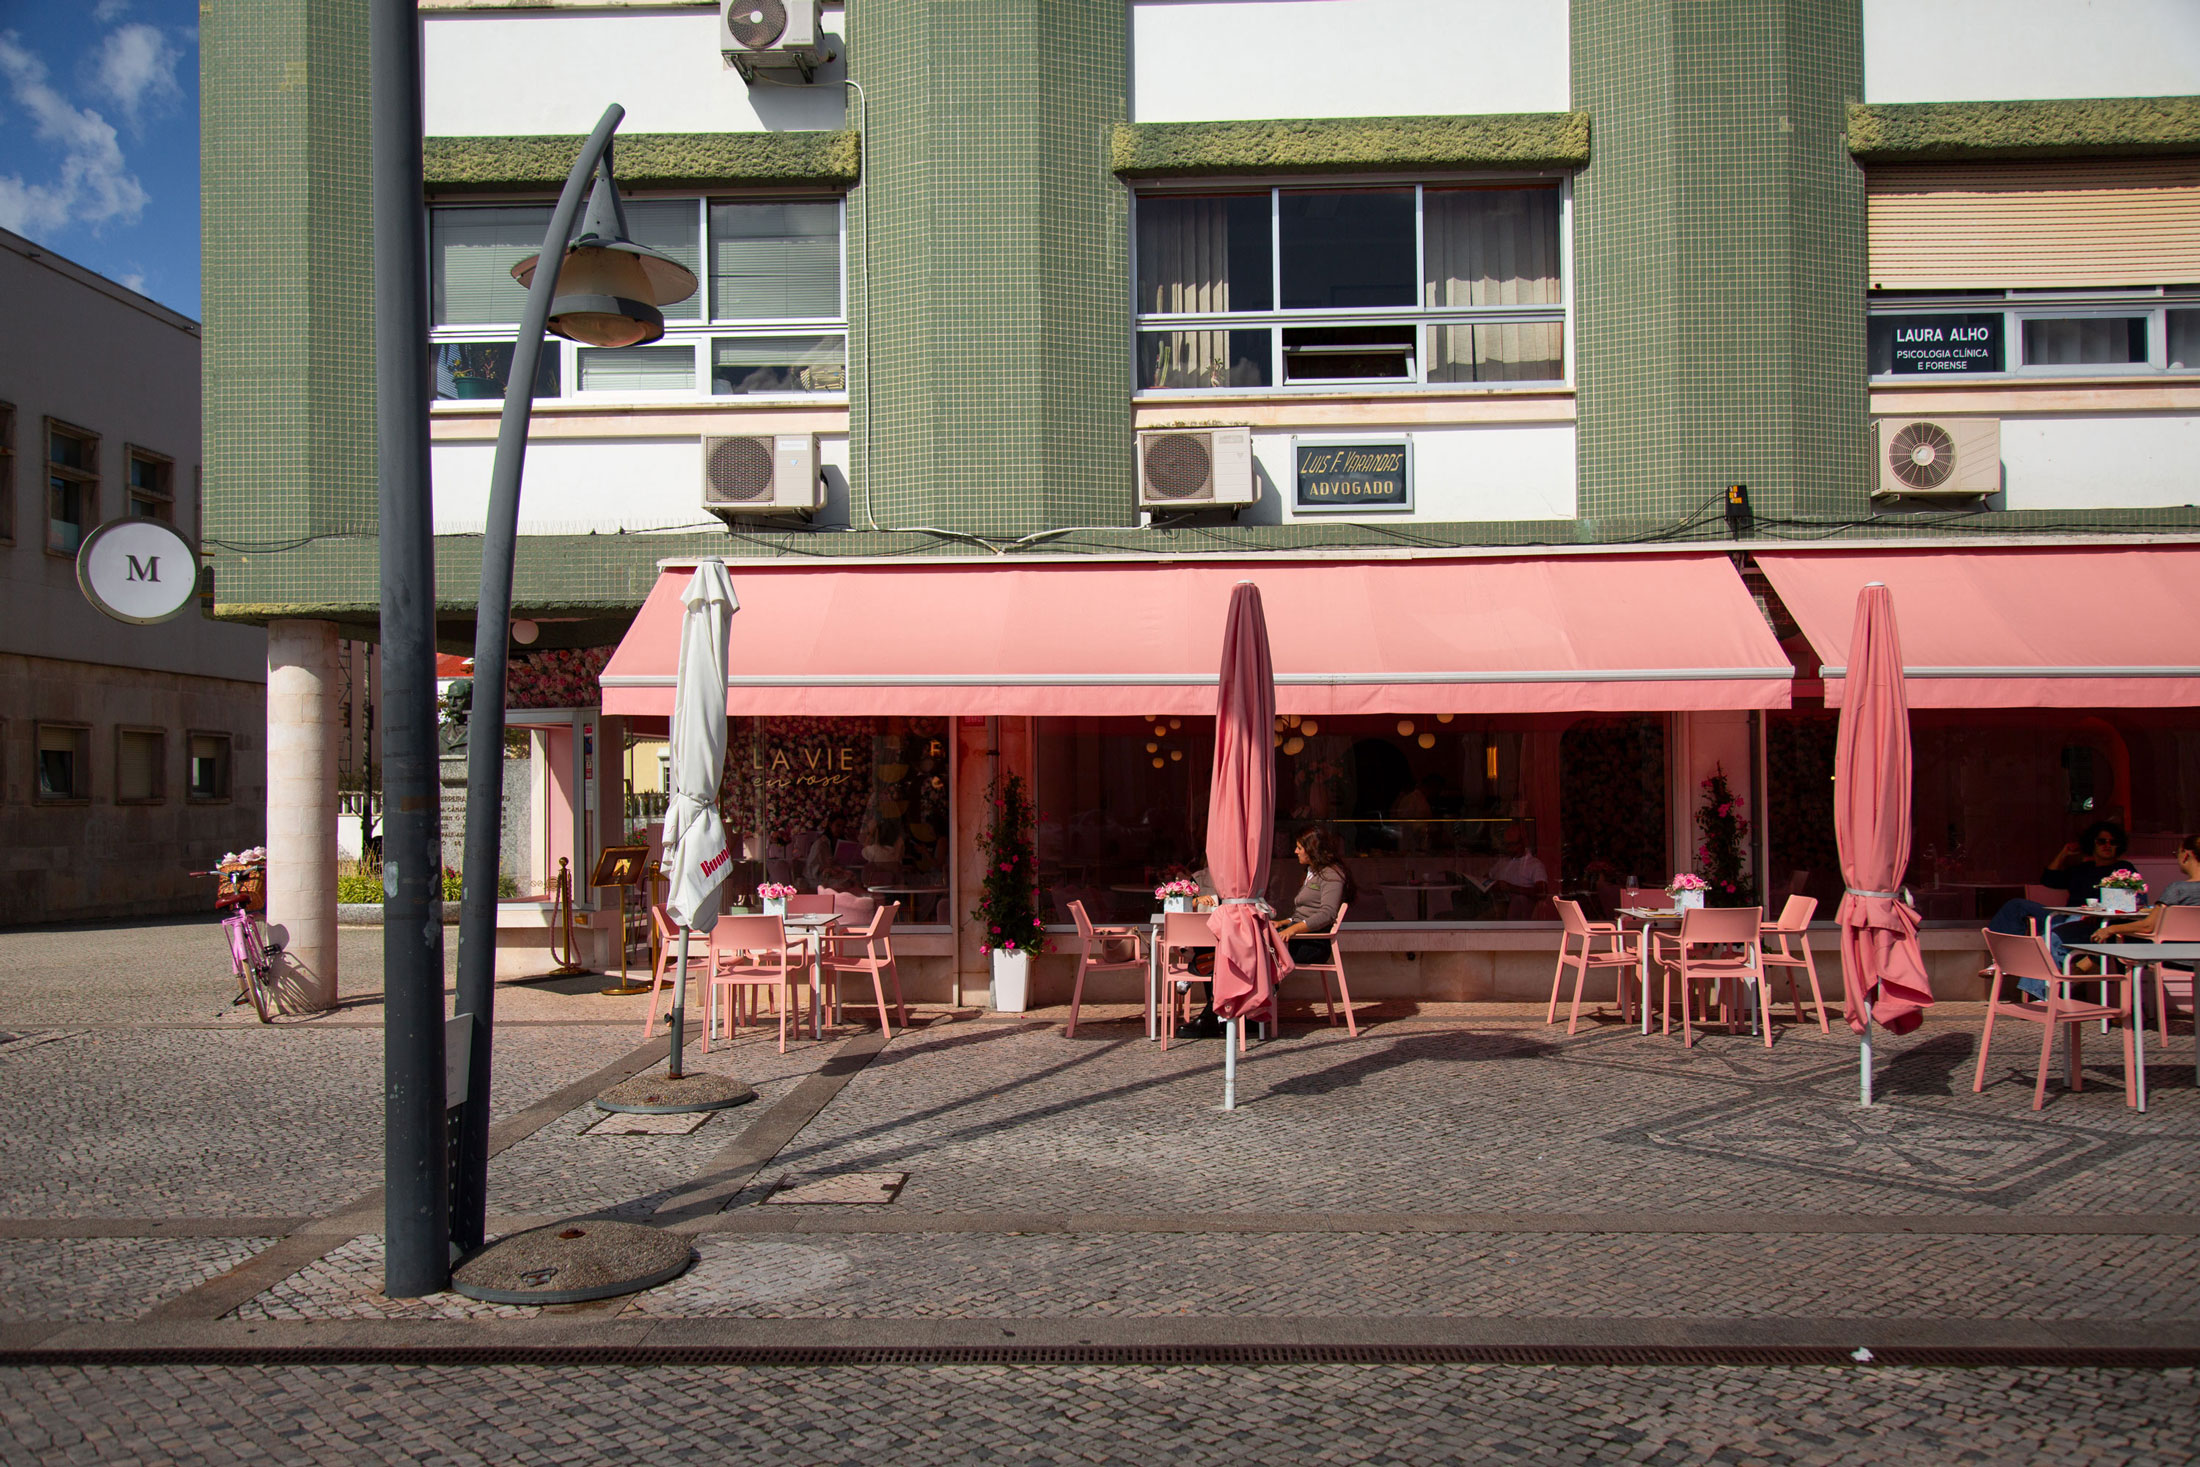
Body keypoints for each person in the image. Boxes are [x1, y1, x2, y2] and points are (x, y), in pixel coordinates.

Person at [1988, 821, 2137, 993]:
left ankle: (2039, 993)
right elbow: (2049, 879)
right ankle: (2004, 961)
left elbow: (2129, 901)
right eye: (2101, 841)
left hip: (2090, 922)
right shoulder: (2082, 869)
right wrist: (2064, 853)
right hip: (2066, 916)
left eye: (2113, 842)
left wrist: (2100, 914)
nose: (2107, 845)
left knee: (2054, 935)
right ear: (2092, 843)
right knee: (2016, 905)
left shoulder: (2123, 869)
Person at [2097, 833, 2200, 940]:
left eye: (2177, 854)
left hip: (2174, 947)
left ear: (2186, 855)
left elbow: (2148, 926)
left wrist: (2111, 929)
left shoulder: (2177, 889)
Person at [1486, 823, 1549, 920]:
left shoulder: (1534, 865)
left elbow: (1541, 892)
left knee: (1518, 900)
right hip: (1496, 909)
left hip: (1518, 916)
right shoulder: (1503, 861)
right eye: (1506, 845)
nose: (1509, 848)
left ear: (1522, 843)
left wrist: (1511, 888)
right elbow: (1487, 877)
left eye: (1512, 844)